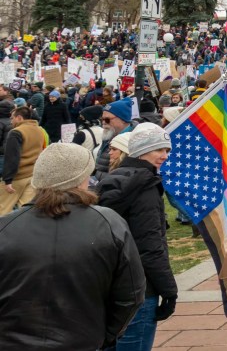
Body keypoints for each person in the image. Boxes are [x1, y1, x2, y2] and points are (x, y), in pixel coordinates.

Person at [0, 143, 146, 350]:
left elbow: (130, 293)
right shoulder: (108, 223)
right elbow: (131, 293)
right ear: (81, 179)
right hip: (83, 340)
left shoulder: (5, 227)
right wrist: (106, 334)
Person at [96, 123, 178, 351]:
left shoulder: (112, 180)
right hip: (140, 288)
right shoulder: (145, 186)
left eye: (167, 150)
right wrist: (169, 291)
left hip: (109, 285)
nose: (164, 156)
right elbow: (150, 246)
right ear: (142, 151)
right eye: (158, 150)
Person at [0, 105, 45, 215]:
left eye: (12, 118)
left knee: (3, 209)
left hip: (17, 177)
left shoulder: (16, 132)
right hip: (32, 175)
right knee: (24, 212)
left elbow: (12, 157)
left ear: (19, 118)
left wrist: (8, 180)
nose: (11, 121)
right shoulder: (40, 131)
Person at [94, 97, 136, 178]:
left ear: (123, 119)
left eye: (107, 119)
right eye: (102, 119)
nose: (103, 123)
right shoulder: (109, 134)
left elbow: (124, 176)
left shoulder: (132, 140)